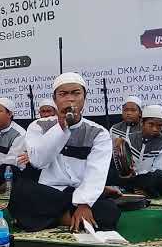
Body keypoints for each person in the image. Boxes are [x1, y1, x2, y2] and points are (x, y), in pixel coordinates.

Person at [8, 72, 121, 232]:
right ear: (55, 100)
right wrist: (61, 127)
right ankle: (68, 218)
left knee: (109, 212)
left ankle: (50, 218)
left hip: (79, 191)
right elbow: (38, 161)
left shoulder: (99, 133)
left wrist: (84, 203)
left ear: (84, 97)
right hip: (48, 192)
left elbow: (96, 171)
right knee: (21, 192)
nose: (70, 99)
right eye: (63, 94)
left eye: (76, 93)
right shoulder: (39, 126)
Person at [108, 104, 162, 198]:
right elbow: (124, 162)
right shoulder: (130, 138)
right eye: (151, 124)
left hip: (147, 179)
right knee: (109, 173)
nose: (155, 129)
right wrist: (125, 171)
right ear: (142, 122)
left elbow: (160, 171)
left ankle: (137, 189)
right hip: (130, 178)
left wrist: (136, 176)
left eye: (159, 126)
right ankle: (136, 188)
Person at [0, 97, 27, 193]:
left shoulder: (19, 134)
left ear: (10, 114)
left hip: (3, 174)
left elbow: (12, 161)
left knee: (7, 169)